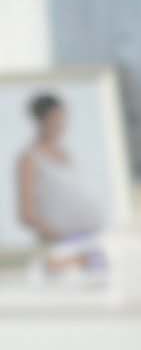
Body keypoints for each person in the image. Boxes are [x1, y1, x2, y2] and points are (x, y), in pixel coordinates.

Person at [16, 92, 104, 245]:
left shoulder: (67, 154)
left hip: (91, 237)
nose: (59, 124)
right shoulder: (31, 159)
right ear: (40, 120)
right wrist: (62, 238)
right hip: (61, 244)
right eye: (53, 119)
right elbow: (27, 214)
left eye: (61, 118)